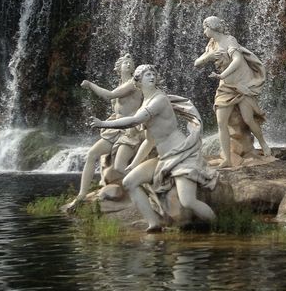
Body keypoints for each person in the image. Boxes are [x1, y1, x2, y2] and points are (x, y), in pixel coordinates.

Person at [92, 64, 217, 232]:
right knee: (129, 182)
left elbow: (134, 121)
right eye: (146, 74)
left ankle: (220, 227)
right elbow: (149, 140)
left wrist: (103, 124)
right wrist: (134, 164)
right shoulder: (145, 103)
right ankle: (154, 223)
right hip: (164, 158)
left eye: (153, 73)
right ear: (137, 82)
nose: (151, 76)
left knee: (188, 201)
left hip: (181, 155)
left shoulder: (159, 99)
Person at [66, 53, 143, 212]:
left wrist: (90, 84)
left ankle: (145, 190)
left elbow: (109, 96)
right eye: (126, 62)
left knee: (120, 167)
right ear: (119, 67)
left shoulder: (133, 83)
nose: (129, 64)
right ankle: (81, 195)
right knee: (92, 154)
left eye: (131, 62)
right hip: (116, 127)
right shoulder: (120, 83)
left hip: (130, 129)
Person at [194, 16, 271, 166]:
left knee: (248, 119)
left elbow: (237, 60)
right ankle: (227, 159)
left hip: (241, 84)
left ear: (212, 27)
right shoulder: (211, 45)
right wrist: (208, 57)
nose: (204, 32)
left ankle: (263, 144)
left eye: (205, 28)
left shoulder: (229, 40)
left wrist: (222, 74)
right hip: (226, 86)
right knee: (221, 122)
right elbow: (197, 63)